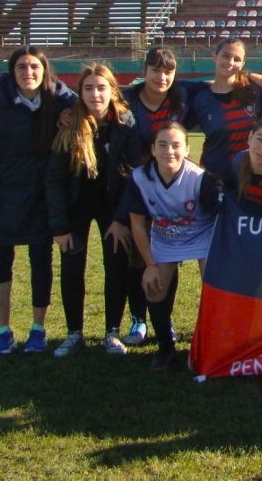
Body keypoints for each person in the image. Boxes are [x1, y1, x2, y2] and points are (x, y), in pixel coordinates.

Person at [0, 47, 77, 356]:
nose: (28, 73)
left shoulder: (58, 99)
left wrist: (71, 112)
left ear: (44, 71)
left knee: (41, 260)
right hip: (4, 199)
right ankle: (3, 331)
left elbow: (88, 105)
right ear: (12, 72)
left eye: (34, 67)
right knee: (0, 259)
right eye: (21, 67)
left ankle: (37, 329)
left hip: (43, 198)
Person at [46, 63, 143, 358]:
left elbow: (134, 173)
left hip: (113, 208)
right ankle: (74, 333)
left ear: (112, 90)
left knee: (116, 267)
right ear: (81, 92)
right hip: (76, 207)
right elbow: (55, 180)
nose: (95, 93)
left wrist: (120, 219)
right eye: (88, 87)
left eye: (101, 87)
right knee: (73, 267)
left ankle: (111, 332)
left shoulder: (126, 123)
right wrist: (60, 227)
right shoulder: (68, 123)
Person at [119, 47, 211, 348]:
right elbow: (92, 96)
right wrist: (69, 110)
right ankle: (141, 320)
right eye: (155, 70)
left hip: (178, 185)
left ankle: (198, 330)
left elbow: (220, 81)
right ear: (144, 70)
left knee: (195, 269)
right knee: (143, 263)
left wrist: (255, 77)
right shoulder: (126, 98)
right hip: (140, 183)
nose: (162, 77)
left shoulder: (182, 93)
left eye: (168, 71)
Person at [125, 123, 219, 371]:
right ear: (153, 149)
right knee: (154, 288)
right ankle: (166, 348)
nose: (170, 151)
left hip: (202, 235)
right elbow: (137, 224)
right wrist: (150, 265)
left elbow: (220, 218)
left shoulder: (199, 178)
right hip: (166, 239)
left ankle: (210, 344)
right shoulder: (140, 178)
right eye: (163, 145)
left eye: (176, 145)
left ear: (187, 149)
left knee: (214, 286)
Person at [191, 38, 262, 182]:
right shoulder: (201, 98)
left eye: (237, 59)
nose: (230, 62)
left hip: (249, 177)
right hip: (214, 178)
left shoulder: (253, 92)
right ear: (215, 56)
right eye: (225, 56)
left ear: (243, 64)